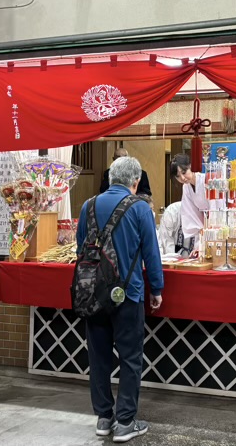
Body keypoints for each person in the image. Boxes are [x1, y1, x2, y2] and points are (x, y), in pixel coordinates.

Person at [77, 156, 164, 443]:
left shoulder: (87, 206)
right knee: (130, 358)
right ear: (136, 181)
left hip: (92, 293)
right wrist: (158, 289)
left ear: (111, 177)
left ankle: (104, 418)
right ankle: (126, 422)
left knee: (98, 357)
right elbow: (152, 254)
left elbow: (81, 249)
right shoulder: (140, 208)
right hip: (129, 294)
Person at [169, 153, 210, 242]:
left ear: (190, 166)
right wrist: (201, 230)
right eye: (178, 176)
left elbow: (217, 205)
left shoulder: (206, 181)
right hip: (204, 226)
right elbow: (190, 212)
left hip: (217, 219)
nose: (183, 178)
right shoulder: (186, 187)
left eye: (184, 172)